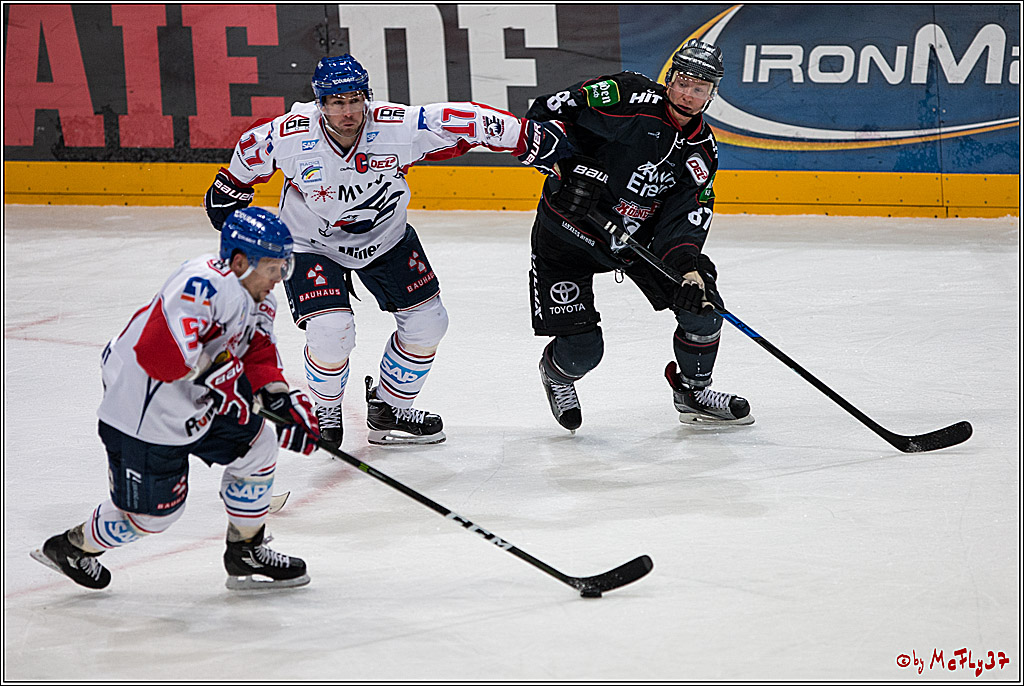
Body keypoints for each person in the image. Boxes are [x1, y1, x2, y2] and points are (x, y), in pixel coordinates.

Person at [204, 54, 566, 448]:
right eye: (337, 102)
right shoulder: (287, 136)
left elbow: (468, 119)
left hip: (386, 238)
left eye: (355, 100)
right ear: (319, 103)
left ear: (367, 97)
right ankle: (326, 407)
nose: (348, 112)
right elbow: (239, 175)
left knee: (429, 324)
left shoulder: (397, 126)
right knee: (331, 331)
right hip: (312, 244)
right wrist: (228, 195)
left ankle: (389, 408)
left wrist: (527, 138)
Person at [30, 207, 321, 591]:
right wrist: (224, 377)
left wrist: (279, 399)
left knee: (260, 445)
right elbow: (158, 355)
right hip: (145, 412)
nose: (279, 278)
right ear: (239, 262)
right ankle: (71, 547)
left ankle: (245, 552)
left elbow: (257, 353)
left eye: (284, 267)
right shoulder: (201, 284)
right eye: (272, 268)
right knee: (153, 518)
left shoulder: (260, 298)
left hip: (199, 401)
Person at [521, 39, 754, 432]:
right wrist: (566, 168)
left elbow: (685, 217)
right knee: (583, 352)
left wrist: (687, 268)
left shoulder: (701, 150)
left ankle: (693, 392)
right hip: (568, 234)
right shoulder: (626, 97)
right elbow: (545, 115)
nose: (687, 94)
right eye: (682, 82)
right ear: (670, 78)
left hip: (632, 242)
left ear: (712, 95)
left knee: (702, 306)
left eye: (699, 88)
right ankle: (556, 374)